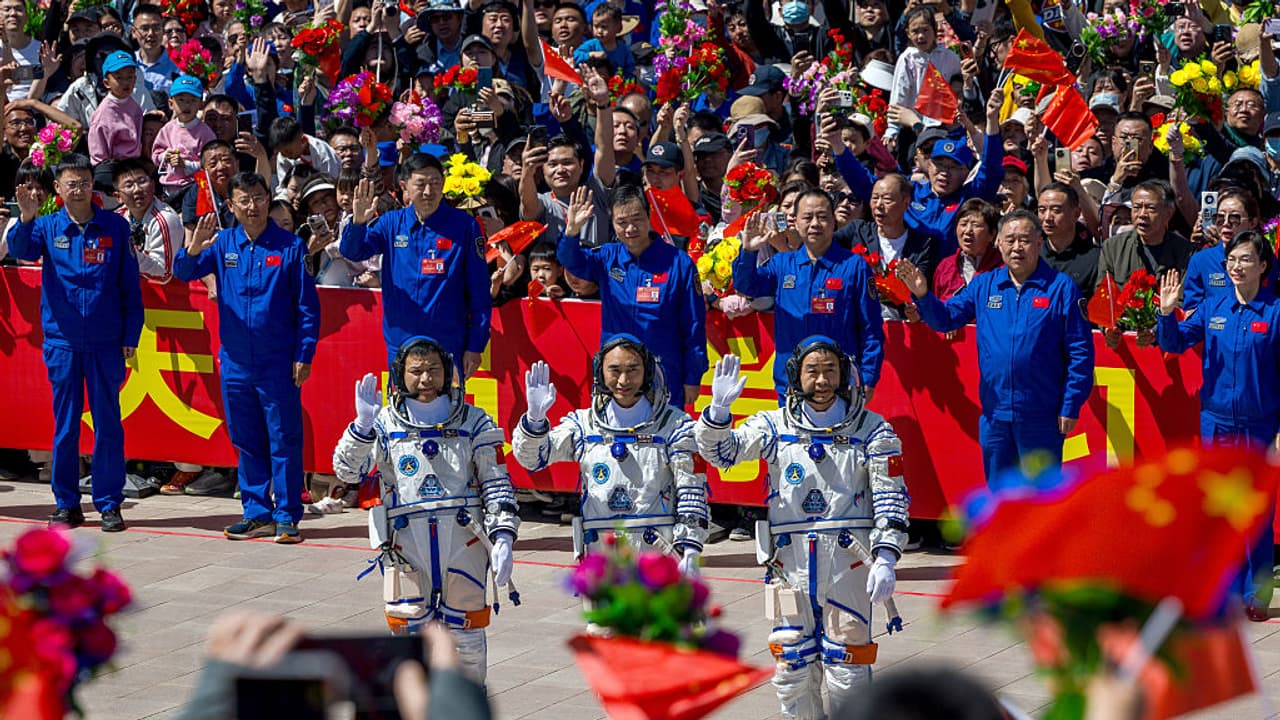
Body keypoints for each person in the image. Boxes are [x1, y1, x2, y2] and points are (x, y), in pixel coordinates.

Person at [694, 337, 908, 720]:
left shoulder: (872, 431)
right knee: (791, 665)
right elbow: (721, 454)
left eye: (830, 371)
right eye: (813, 371)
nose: (822, 381)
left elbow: (891, 498)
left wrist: (886, 557)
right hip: (788, 566)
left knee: (848, 666)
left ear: (844, 376)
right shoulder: (774, 426)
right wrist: (719, 411)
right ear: (796, 375)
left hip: (848, 565)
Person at [332, 337, 519, 681]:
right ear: (399, 375)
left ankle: (467, 704)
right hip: (407, 547)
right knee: (407, 641)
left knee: (466, 638)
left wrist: (504, 535)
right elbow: (347, 471)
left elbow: (496, 482)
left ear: (447, 372)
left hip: (464, 544)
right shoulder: (384, 424)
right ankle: (412, 704)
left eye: (433, 369)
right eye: (416, 371)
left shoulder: (474, 422)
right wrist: (361, 428)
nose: (425, 379)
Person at [173, 172, 320, 544]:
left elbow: (307, 308)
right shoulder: (223, 244)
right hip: (236, 362)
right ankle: (257, 513)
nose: (252, 206)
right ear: (231, 205)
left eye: (258, 197)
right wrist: (193, 249)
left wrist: (304, 353)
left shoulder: (290, 247)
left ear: (268, 199)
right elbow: (183, 272)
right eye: (244, 199)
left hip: (278, 361)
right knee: (246, 439)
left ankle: (286, 515)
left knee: (283, 439)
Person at [897, 210, 1095, 485]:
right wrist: (922, 294)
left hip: (1042, 416)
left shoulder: (1061, 288)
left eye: (1025, 240)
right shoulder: (984, 285)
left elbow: (1080, 352)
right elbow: (946, 319)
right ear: (998, 244)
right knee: (1001, 497)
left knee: (1042, 498)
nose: (1017, 247)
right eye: (1010, 240)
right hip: (995, 416)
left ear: (1039, 243)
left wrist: (1071, 405)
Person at [9, 153, 141, 532]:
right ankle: (66, 504)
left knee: (108, 425)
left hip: (106, 343)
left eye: (84, 182)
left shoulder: (114, 226)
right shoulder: (47, 226)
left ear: (92, 185)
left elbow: (130, 286)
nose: (79, 190)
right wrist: (26, 217)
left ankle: (109, 503)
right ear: (58, 188)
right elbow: (20, 250)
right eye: (71, 184)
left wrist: (130, 335)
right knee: (65, 426)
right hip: (63, 343)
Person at [1155, 231, 1279, 622]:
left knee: (1256, 513)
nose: (1236, 267)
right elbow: (1174, 344)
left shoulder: (1275, 312)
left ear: (1262, 266)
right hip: (1217, 425)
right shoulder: (1213, 307)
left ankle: (1256, 594)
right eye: (1231, 260)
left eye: (1245, 259)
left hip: (1259, 426)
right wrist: (1166, 313)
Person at [511, 335, 709, 571]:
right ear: (600, 373)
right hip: (600, 557)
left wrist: (689, 548)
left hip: (656, 555)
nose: (623, 380)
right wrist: (534, 421)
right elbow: (532, 459)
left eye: (633, 370)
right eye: (614, 370)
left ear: (647, 372)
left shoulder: (673, 426)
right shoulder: (584, 426)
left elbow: (691, 490)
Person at [556, 185, 708, 407]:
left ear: (649, 215)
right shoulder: (607, 257)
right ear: (612, 222)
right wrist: (572, 231)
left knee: (666, 429)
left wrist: (693, 377)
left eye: (637, 219)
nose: (630, 229)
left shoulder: (679, 263)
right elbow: (571, 261)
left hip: (664, 373)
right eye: (621, 222)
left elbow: (693, 324)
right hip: (617, 376)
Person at [341, 153, 490, 377]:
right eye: (420, 184)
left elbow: (479, 291)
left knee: (447, 400)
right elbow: (352, 252)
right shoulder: (391, 223)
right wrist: (358, 223)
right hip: (401, 343)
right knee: (402, 400)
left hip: (448, 343)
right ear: (405, 186)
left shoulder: (465, 227)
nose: (428, 192)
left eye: (435, 183)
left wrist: (475, 346)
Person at [734, 188, 884, 400]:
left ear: (833, 220)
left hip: (840, 385)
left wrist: (868, 378)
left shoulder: (854, 266)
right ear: (795, 221)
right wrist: (749, 252)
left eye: (822, 217)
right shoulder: (782, 264)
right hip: (791, 385)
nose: (815, 224)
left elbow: (871, 328)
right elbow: (746, 287)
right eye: (807, 217)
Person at [114, 158, 183, 284]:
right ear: (118, 196)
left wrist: (129, 254)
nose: (137, 189)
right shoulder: (116, 218)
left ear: (153, 185)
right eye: (129, 185)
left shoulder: (165, 220)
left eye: (142, 181)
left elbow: (164, 274)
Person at [151, 75, 217, 197]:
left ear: (201, 104)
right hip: (169, 188)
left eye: (192, 100)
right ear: (171, 104)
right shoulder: (167, 129)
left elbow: (210, 163)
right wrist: (166, 156)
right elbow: (155, 155)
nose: (186, 105)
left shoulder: (205, 132)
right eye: (181, 100)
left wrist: (186, 164)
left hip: (196, 187)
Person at [1037, 183, 1100, 300]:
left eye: (1056, 210)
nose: (1047, 217)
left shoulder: (1095, 258)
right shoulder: (1032, 254)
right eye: (1042, 210)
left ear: (1076, 214)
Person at [932, 198, 1002, 302]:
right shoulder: (945, 267)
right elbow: (936, 307)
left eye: (976, 225)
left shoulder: (1003, 267)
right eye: (963, 224)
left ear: (992, 234)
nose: (968, 231)